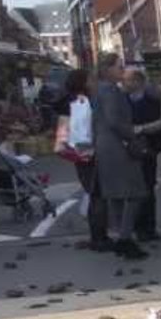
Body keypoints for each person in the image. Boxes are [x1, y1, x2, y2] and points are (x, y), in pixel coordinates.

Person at [92, 52, 148, 260]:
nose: (122, 71)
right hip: (117, 147)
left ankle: (119, 237)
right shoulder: (110, 91)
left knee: (115, 195)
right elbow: (114, 120)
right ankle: (125, 239)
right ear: (108, 70)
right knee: (135, 191)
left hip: (104, 146)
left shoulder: (99, 90)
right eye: (119, 67)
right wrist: (133, 134)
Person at [55, 68, 110, 251]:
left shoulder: (68, 101)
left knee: (94, 195)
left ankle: (98, 236)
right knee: (98, 196)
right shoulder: (81, 102)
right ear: (84, 83)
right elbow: (82, 132)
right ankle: (99, 238)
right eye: (91, 80)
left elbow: (64, 129)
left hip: (79, 155)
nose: (94, 83)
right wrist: (89, 152)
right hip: (87, 154)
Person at [124, 69, 161, 241]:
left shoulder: (153, 102)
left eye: (129, 80)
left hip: (148, 150)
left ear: (139, 82)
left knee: (148, 189)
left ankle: (149, 228)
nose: (125, 83)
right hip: (127, 152)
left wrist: (153, 145)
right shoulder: (122, 102)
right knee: (132, 191)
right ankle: (135, 226)